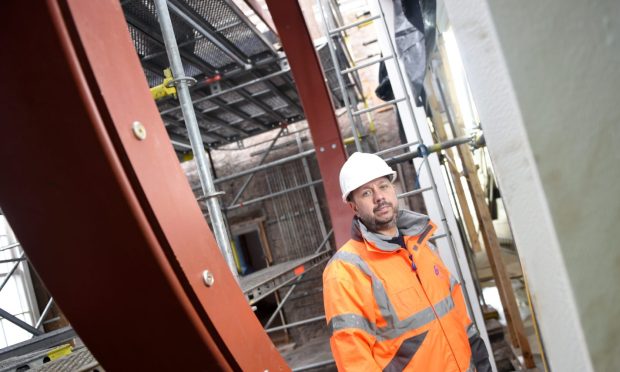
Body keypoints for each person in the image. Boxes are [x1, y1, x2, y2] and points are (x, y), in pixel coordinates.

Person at [323, 152, 491, 372]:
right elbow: (354, 359)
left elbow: (456, 312)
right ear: (354, 206)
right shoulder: (346, 270)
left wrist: (479, 358)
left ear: (394, 190)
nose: (378, 197)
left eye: (383, 186)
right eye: (366, 193)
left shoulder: (423, 248)